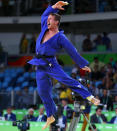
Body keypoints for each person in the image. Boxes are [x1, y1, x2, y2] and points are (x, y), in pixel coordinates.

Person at [27, 1, 100, 129]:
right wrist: (53, 7)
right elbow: (43, 15)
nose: (47, 20)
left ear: (56, 22)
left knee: (66, 80)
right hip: (40, 64)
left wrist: (82, 64)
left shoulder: (61, 38)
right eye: (48, 18)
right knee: (43, 91)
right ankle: (50, 116)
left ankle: (89, 96)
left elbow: (72, 51)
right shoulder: (45, 26)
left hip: (51, 64)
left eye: (50, 19)